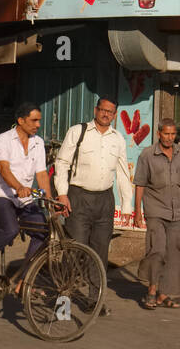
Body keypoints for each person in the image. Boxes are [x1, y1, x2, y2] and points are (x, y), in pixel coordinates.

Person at [54, 96, 134, 315]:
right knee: (74, 250)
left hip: (104, 201)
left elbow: (123, 172)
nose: (106, 114)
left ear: (115, 114)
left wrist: (127, 205)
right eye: (103, 110)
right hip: (78, 197)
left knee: (99, 254)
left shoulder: (118, 138)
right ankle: (63, 304)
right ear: (96, 110)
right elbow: (62, 163)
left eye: (110, 112)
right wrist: (62, 194)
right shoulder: (77, 132)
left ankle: (94, 301)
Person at [0, 103, 52, 287]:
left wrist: (50, 199)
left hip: (24, 200)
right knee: (10, 229)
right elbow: (4, 170)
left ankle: (25, 280)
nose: (38, 124)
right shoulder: (3, 140)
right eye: (34, 120)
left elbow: (42, 174)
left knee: (43, 231)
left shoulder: (38, 143)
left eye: (39, 120)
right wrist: (19, 186)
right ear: (21, 121)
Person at [133, 119, 180, 309]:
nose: (170, 138)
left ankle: (164, 294)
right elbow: (140, 184)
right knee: (157, 250)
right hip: (155, 210)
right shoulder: (147, 155)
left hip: (177, 210)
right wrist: (138, 211)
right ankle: (152, 291)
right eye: (166, 134)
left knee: (175, 253)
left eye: (173, 134)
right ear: (159, 133)